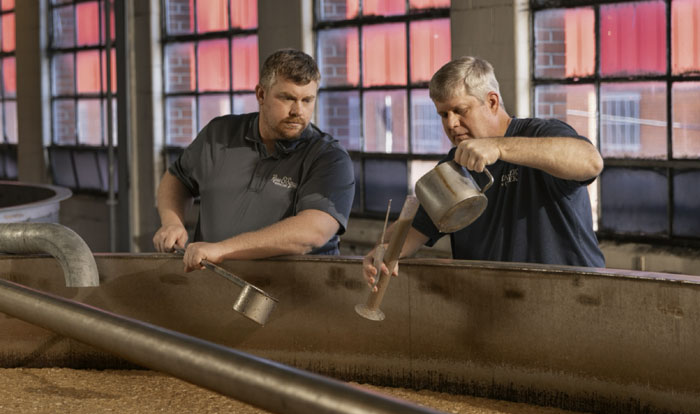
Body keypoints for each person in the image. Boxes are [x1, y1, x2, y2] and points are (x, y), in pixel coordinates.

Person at [363, 56, 605, 290]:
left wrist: (499, 147)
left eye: (460, 110)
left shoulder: (541, 133)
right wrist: (384, 249)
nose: (451, 123)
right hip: (492, 308)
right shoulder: (453, 168)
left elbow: (590, 161)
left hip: (570, 296)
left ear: (491, 102)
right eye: (443, 114)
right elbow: (412, 233)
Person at [154, 48, 355, 272]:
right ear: (261, 94)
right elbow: (177, 178)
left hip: (296, 296)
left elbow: (313, 232)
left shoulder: (329, 158)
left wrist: (222, 250)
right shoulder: (219, 134)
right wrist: (172, 222)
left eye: (307, 100)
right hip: (216, 287)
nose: (298, 111)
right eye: (287, 98)